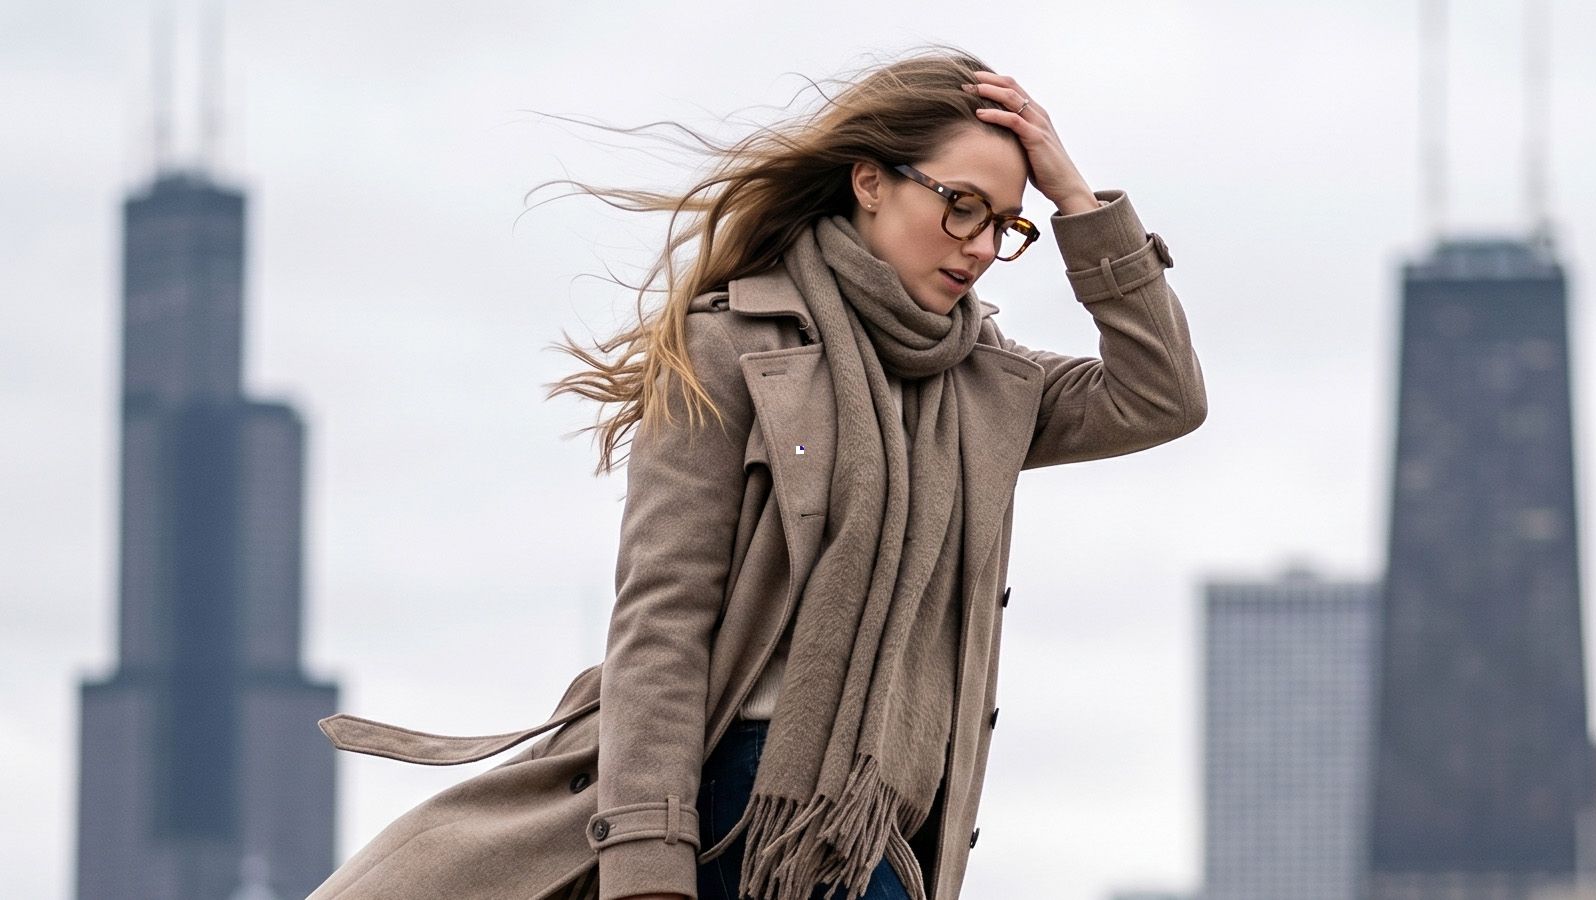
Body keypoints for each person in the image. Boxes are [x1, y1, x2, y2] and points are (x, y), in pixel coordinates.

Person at [306, 48, 1204, 900]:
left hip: (883, 823)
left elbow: (1162, 395)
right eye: (960, 204)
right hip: (748, 800)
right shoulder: (729, 346)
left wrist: (1076, 198)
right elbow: (663, 619)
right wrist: (650, 864)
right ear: (870, 181)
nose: (977, 245)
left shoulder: (990, 384)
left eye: (1005, 226)